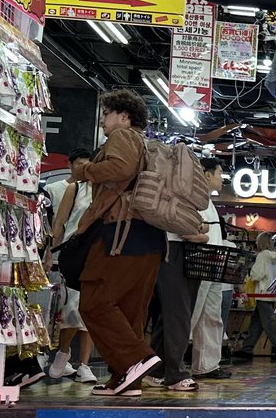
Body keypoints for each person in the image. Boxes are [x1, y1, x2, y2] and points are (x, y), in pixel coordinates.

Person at [71, 89, 164, 397]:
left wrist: (85, 170)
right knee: (130, 312)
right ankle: (126, 378)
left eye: (107, 115)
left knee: (94, 302)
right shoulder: (150, 146)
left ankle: (139, 359)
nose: (103, 122)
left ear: (124, 117)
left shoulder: (123, 138)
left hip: (120, 235)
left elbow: (120, 169)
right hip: (150, 238)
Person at [149, 159, 214, 392]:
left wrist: (200, 231)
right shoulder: (172, 193)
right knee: (179, 314)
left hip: (174, 254)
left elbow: (199, 227)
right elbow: (192, 230)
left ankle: (157, 369)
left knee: (169, 317)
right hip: (173, 253)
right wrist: (200, 233)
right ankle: (175, 374)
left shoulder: (172, 192)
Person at [45, 147, 98, 383]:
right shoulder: (73, 189)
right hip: (72, 256)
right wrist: (50, 253)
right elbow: (58, 225)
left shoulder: (108, 192)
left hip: (98, 257)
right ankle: (63, 352)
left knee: (94, 311)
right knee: (71, 309)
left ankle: (84, 364)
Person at [190, 159, 234, 382]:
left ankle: (206, 365)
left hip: (214, 264)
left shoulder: (209, 202)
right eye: (219, 172)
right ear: (206, 174)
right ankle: (172, 364)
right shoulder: (194, 197)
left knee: (211, 316)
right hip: (200, 263)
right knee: (192, 315)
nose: (222, 178)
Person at [232, 233, 276, 361]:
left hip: (262, 293)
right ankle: (247, 348)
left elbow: (257, 274)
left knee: (269, 323)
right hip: (270, 293)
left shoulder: (262, 256)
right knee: (256, 323)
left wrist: (250, 272)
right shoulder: (274, 257)